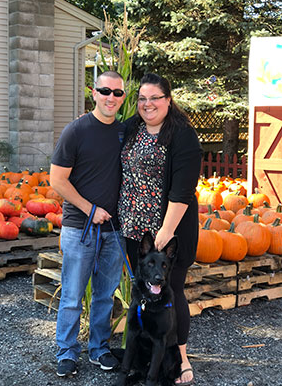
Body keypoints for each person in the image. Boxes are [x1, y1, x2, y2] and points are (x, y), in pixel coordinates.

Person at [118, 73, 203, 386]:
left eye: (155, 97)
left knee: (171, 291)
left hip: (168, 229)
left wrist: (165, 232)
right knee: (142, 290)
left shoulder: (182, 135)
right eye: (142, 98)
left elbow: (182, 190)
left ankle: (180, 358)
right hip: (134, 229)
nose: (147, 104)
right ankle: (143, 356)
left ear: (168, 99)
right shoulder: (132, 127)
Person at [50, 70, 126, 377]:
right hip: (78, 228)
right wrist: (89, 208)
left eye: (117, 93)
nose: (111, 97)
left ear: (122, 97)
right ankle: (67, 352)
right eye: (105, 91)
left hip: (114, 230)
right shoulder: (76, 131)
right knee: (71, 295)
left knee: (105, 295)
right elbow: (57, 179)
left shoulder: (124, 132)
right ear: (93, 93)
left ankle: (99, 349)